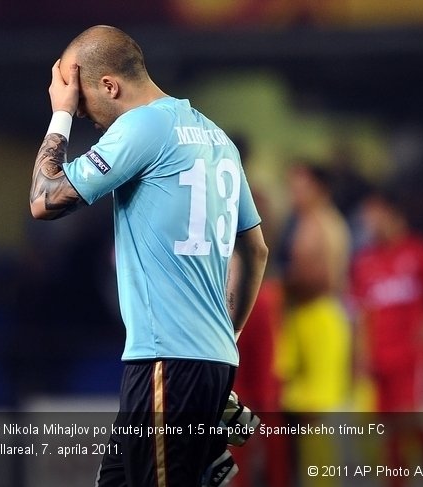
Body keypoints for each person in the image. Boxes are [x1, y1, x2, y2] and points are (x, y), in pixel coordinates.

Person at [29, 25, 268, 487]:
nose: (87, 119)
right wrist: (225, 337)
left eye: (83, 105)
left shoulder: (143, 125)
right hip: (206, 359)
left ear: (110, 86)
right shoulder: (216, 137)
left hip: (167, 363)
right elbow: (256, 248)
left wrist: (58, 116)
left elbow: (44, 199)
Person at [350, 188, 423, 487]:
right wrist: (360, 355)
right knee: (387, 431)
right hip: (379, 361)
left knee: (411, 422)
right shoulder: (364, 262)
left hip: (410, 360)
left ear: (391, 214)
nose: (368, 223)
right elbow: (360, 313)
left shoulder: (419, 252)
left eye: (372, 215)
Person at [275, 163, 351, 487]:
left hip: (319, 319)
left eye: (299, 186)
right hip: (305, 318)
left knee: (314, 414)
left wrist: (277, 287)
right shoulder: (309, 221)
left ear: (319, 188)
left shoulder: (322, 224)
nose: (293, 192)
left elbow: (320, 280)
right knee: (299, 410)